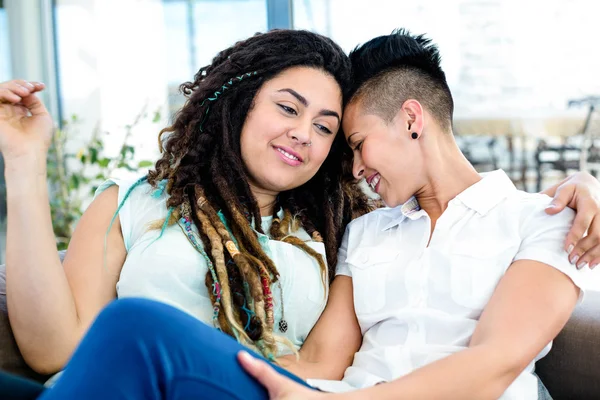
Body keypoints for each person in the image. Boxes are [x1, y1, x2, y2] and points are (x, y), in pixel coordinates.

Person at [0, 29, 599, 399]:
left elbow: (492, 365)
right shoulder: (366, 231)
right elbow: (318, 361)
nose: (320, 146)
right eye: (288, 108)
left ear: (411, 119)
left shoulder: (542, 219)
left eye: (341, 136)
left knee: (135, 326)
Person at [0, 29, 374, 398]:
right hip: (110, 387)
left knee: (134, 321)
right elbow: (55, 351)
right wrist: (23, 159)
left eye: (324, 127)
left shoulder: (336, 235)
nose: (304, 133)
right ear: (240, 100)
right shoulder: (132, 201)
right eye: (288, 108)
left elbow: (320, 368)